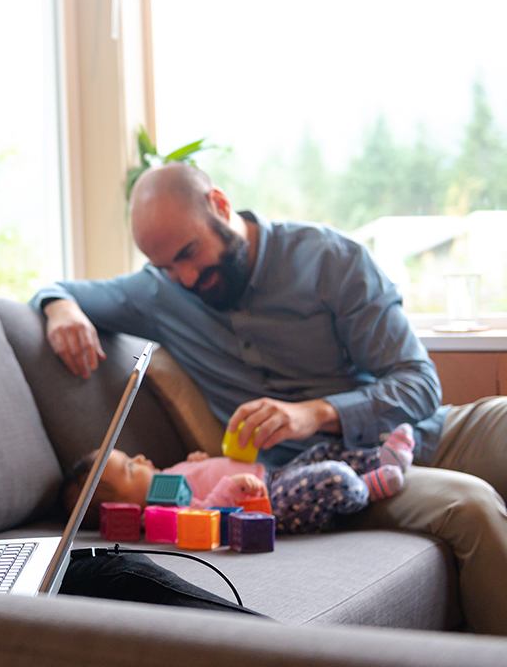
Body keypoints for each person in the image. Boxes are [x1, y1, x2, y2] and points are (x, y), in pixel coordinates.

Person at [30, 162, 507, 634]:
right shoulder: (159, 293)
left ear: (220, 205)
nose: (187, 278)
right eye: (166, 267)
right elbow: (57, 288)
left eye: (191, 252)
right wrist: (60, 309)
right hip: (338, 472)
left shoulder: (328, 259)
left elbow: (419, 382)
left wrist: (315, 413)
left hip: (431, 428)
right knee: (471, 506)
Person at [64, 423, 415, 534]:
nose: (139, 458)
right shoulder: (162, 508)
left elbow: (198, 478)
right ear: (121, 508)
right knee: (331, 476)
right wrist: (229, 486)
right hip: (270, 505)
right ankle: (369, 487)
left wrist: (196, 462)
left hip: (273, 476)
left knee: (324, 450)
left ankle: (380, 457)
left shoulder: (165, 478)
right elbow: (205, 516)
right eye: (129, 468)